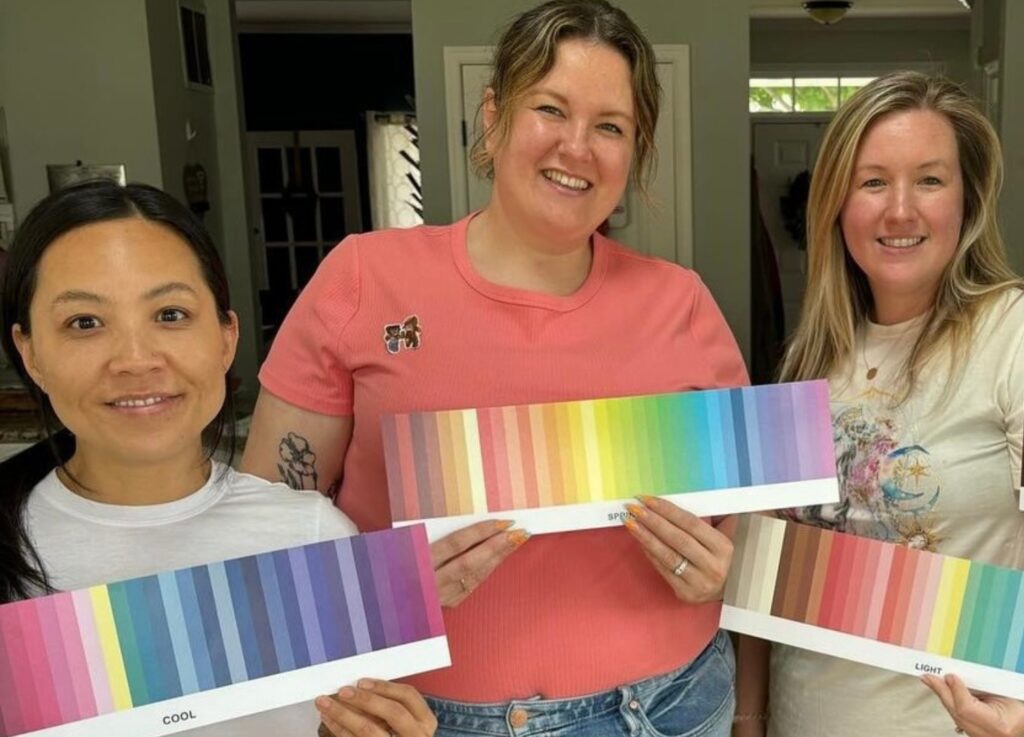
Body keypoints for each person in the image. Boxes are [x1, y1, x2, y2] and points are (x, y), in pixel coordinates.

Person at [241, 1, 748, 734]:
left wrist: (725, 562)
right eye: (550, 109)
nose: (578, 147)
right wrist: (389, 589)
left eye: (610, 126)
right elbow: (265, 541)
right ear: (493, 116)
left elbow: (748, 518)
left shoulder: (683, 302)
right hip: (422, 717)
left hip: (671, 705)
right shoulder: (362, 278)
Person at [0, 180, 437, 737]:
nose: (135, 360)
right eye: (85, 323)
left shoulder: (312, 537)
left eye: (171, 314)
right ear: (30, 352)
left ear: (226, 338)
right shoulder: (14, 545)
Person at [733, 72, 1024, 737]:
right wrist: (749, 720)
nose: (900, 210)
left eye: (929, 179)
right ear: (837, 204)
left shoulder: (1011, 334)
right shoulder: (808, 362)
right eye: (872, 182)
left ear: (967, 200)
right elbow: (764, 565)